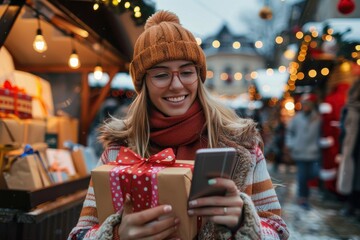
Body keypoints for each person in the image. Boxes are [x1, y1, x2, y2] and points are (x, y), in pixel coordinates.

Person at [68, 10, 289, 239]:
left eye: (186, 72)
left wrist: (244, 221)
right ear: (144, 84)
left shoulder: (241, 145)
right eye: (161, 75)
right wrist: (115, 234)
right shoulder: (118, 151)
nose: (176, 85)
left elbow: (278, 231)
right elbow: (79, 234)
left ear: (199, 76)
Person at [285, 93, 321, 210]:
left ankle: (306, 195)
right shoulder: (297, 118)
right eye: (303, 104)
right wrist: (291, 144)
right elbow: (290, 132)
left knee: (314, 173)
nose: (305, 106)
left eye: (307, 104)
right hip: (300, 151)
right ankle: (303, 198)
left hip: (313, 152)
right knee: (302, 176)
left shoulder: (318, 118)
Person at [336, 78, 360, 218]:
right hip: (353, 146)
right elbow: (343, 129)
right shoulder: (350, 108)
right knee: (353, 176)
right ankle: (352, 205)